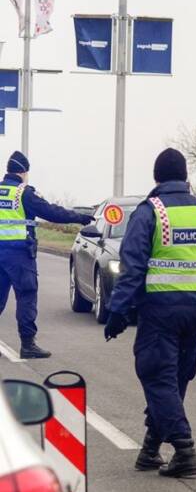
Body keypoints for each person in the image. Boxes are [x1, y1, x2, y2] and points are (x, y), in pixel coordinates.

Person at [103, 149, 196, 476]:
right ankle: (149, 450)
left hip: (161, 309)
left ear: (157, 178)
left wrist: (117, 313)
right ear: (185, 177)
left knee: (158, 376)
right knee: (175, 378)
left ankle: (185, 450)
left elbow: (132, 269)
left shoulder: (150, 213)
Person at [0, 151, 94, 358]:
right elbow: (52, 212)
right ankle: (27, 345)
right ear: (24, 172)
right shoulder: (23, 193)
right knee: (26, 296)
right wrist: (82, 218)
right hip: (19, 255)